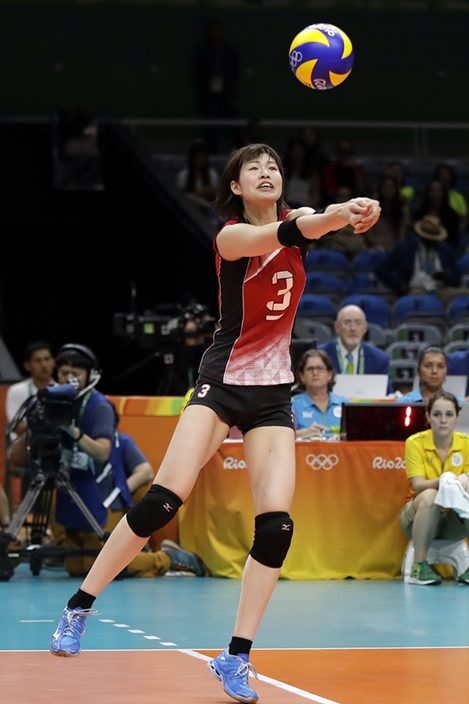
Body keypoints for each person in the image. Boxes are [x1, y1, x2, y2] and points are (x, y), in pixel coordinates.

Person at [49, 143, 380, 703]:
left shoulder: (298, 219)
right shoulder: (231, 237)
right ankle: (79, 607)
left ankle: (236, 656)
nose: (268, 172)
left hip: (273, 394)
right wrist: (336, 214)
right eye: (255, 168)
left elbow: (312, 224)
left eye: (275, 165)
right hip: (222, 384)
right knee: (160, 502)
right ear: (236, 186)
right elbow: (284, 236)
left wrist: (347, 209)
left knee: (277, 527)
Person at [400, 390, 469, 585]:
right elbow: (418, 485)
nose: (443, 420)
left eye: (449, 414)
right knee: (431, 495)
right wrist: (446, 480)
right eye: (437, 414)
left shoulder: (467, 444)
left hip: (453, 521)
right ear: (428, 417)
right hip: (417, 517)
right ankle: (419, 567)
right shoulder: (415, 443)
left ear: (457, 417)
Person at [375, 214, 463, 305]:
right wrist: (401, 286)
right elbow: (381, 270)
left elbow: (457, 279)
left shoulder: (446, 251)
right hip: (416, 288)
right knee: (421, 298)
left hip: (441, 288)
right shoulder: (405, 248)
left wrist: (446, 276)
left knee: (465, 294)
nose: (430, 240)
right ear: (421, 235)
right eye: (428, 238)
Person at [318, 304, 392, 394]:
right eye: (347, 323)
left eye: (358, 323)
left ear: (365, 328)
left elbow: (387, 396)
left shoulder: (379, 359)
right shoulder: (319, 356)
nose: (353, 329)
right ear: (337, 327)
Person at [292, 349, 349, 440]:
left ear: (329, 374)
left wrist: (343, 437)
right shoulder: (292, 405)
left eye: (320, 368)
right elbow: (280, 438)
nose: (315, 373)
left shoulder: (345, 403)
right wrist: (304, 433)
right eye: (310, 369)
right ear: (302, 376)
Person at [396, 346, 466, 405]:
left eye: (440, 366)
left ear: (446, 370)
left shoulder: (459, 403)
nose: (434, 371)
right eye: (428, 366)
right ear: (419, 370)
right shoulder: (402, 403)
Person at [6, 341, 55, 424]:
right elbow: (17, 425)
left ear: (54, 362)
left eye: (47, 359)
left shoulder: (63, 390)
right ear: (27, 366)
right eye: (37, 361)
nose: (44, 365)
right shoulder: (16, 390)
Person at [414, 180, 460, 250]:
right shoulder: (420, 212)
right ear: (428, 193)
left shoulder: (451, 214)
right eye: (433, 191)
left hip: (443, 247)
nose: (436, 194)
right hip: (420, 246)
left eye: (439, 191)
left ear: (443, 193)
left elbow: (453, 238)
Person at [176, 141, 219, 214]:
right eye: (198, 158)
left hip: (209, 208)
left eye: (202, 157)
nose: (200, 160)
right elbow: (180, 196)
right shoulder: (183, 175)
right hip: (188, 208)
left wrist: (205, 192)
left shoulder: (212, 174)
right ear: (192, 158)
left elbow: (216, 193)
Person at [365, 175, 406, 251]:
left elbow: (401, 237)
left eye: (391, 187)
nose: (388, 190)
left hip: (393, 249)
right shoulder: (372, 210)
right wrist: (379, 246)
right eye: (386, 187)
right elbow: (369, 235)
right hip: (375, 248)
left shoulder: (400, 212)